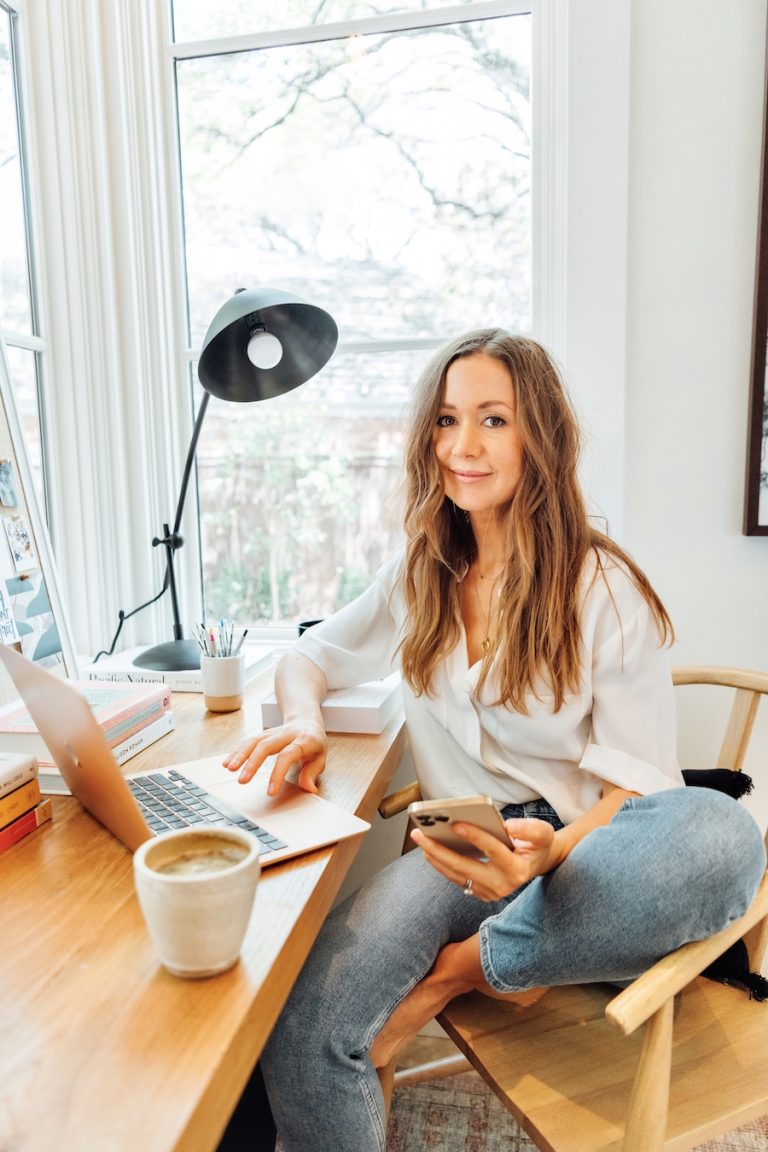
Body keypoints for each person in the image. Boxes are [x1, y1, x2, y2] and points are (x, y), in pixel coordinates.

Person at [223, 330, 765, 1152]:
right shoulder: (420, 568)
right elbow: (310, 656)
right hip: (459, 850)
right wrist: (303, 718)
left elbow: (640, 797)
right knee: (302, 1022)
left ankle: (464, 971)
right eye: (445, 420)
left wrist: (547, 858)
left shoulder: (602, 587)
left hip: (586, 858)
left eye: (493, 420)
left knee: (720, 834)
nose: (462, 447)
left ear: (538, 437)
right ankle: (508, 963)